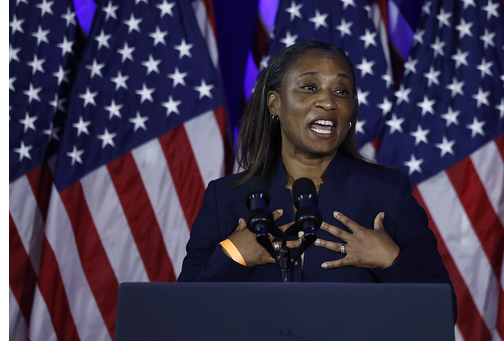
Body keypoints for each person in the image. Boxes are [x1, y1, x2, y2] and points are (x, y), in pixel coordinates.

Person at [178, 40, 450, 287]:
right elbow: (183, 314)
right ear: (274, 103)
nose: (328, 102)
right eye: (310, 87)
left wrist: (391, 260)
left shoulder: (386, 193)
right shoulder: (226, 197)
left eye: (341, 91)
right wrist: (233, 256)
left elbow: (442, 308)